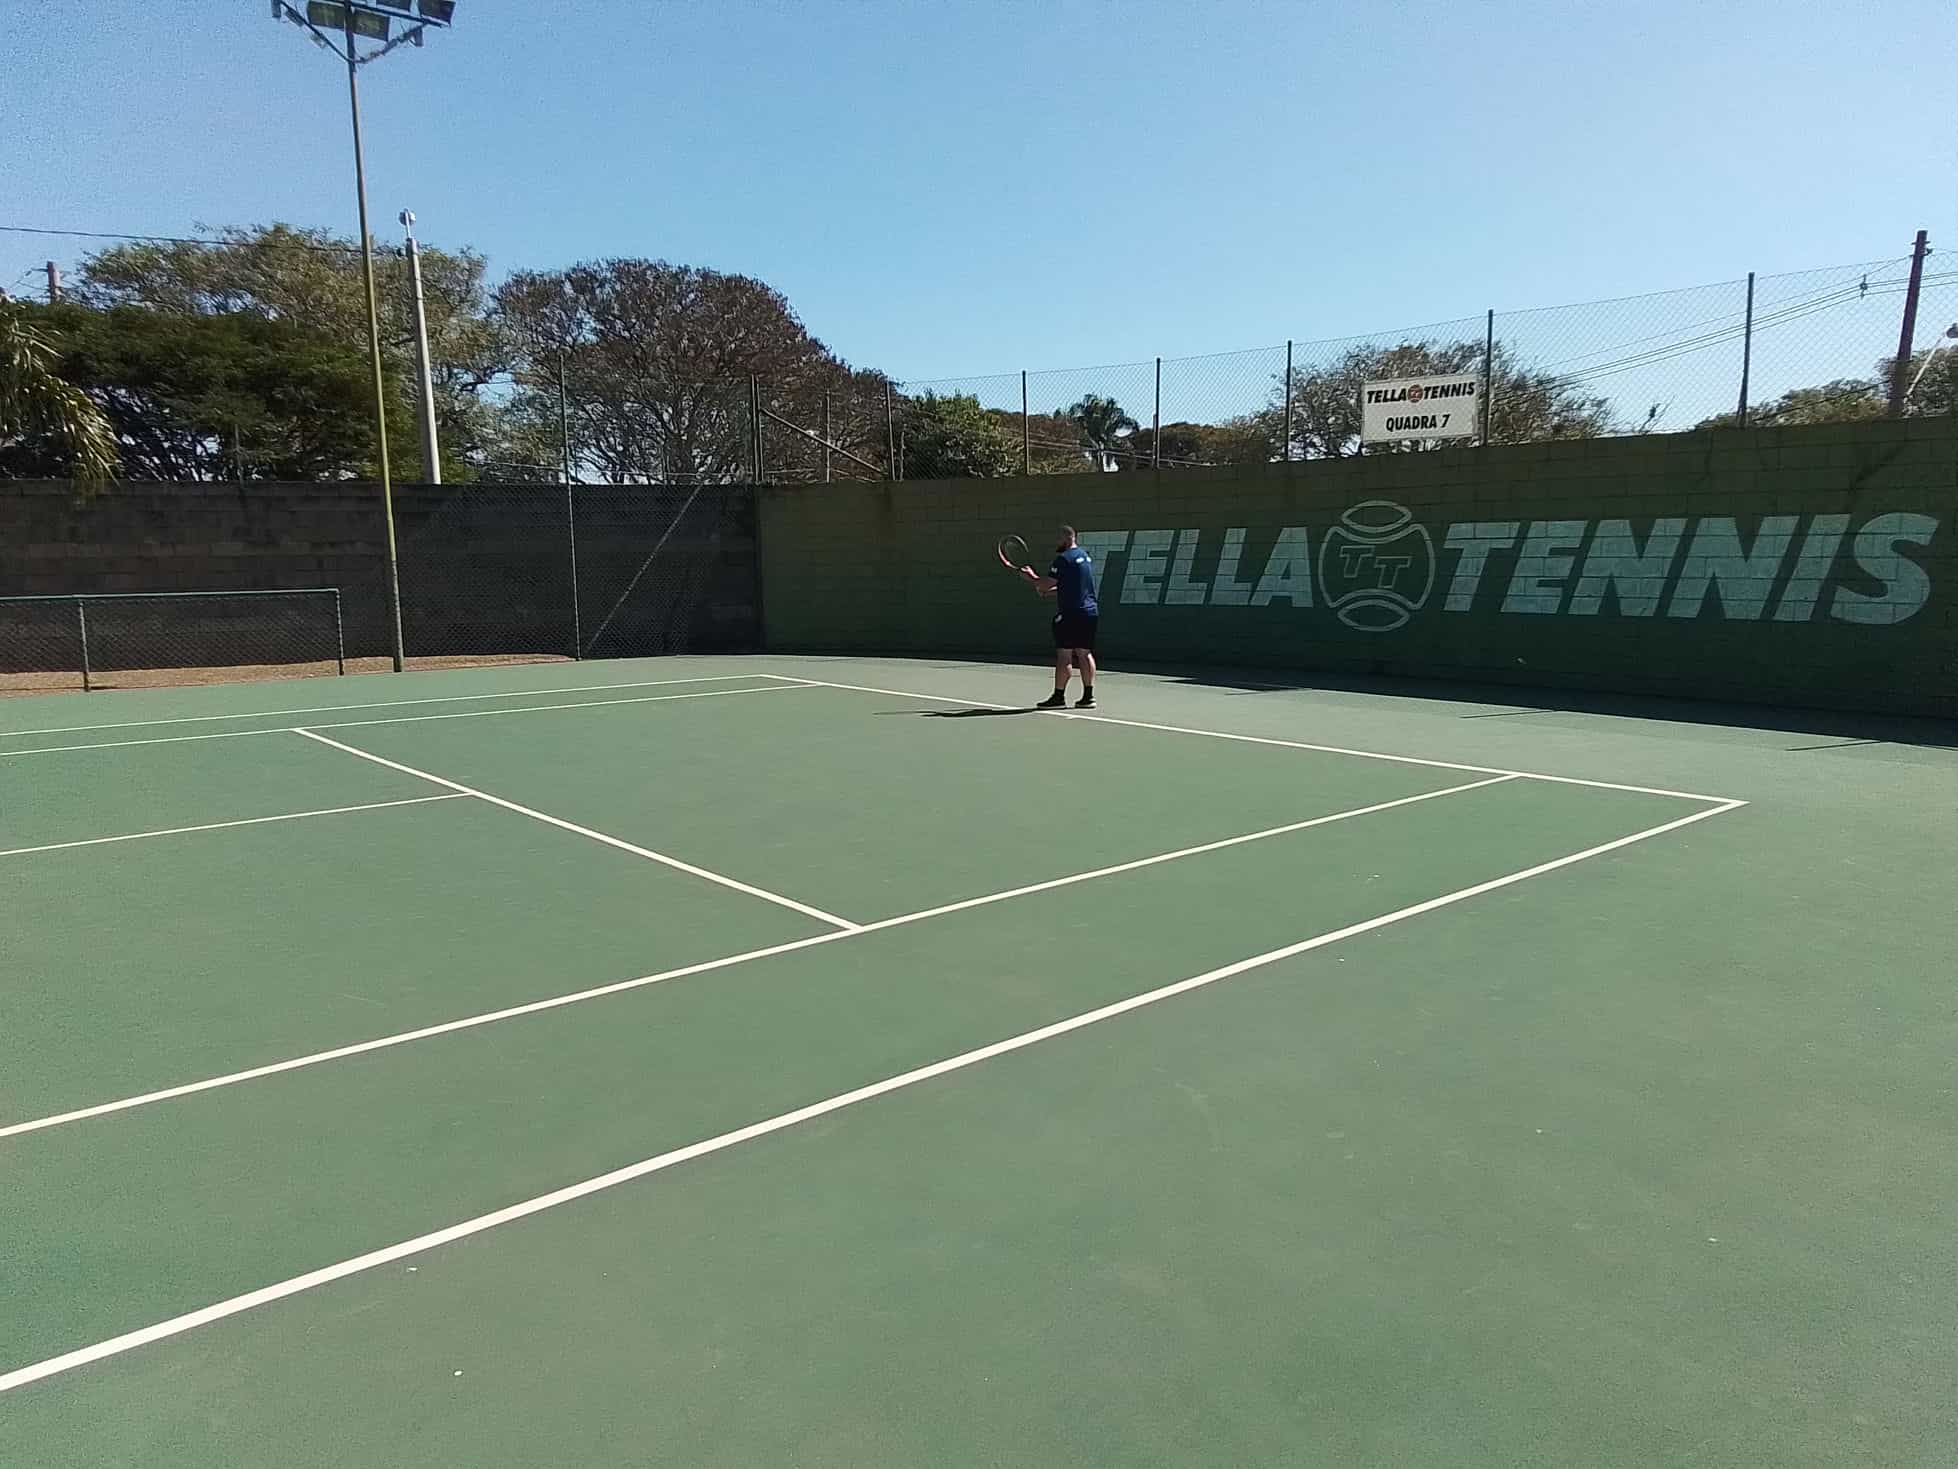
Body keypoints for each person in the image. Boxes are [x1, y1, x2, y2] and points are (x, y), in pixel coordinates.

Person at [1020, 525, 1098, 708]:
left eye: (1059, 539)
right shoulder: (1085, 557)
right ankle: (1088, 697)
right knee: (1085, 653)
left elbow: (1045, 583)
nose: (1057, 542)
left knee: (1064, 655)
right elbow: (1074, 587)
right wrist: (1050, 592)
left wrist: (1031, 577)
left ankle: (1058, 697)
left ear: (1068, 538)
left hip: (1070, 614)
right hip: (1089, 612)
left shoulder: (1063, 559)